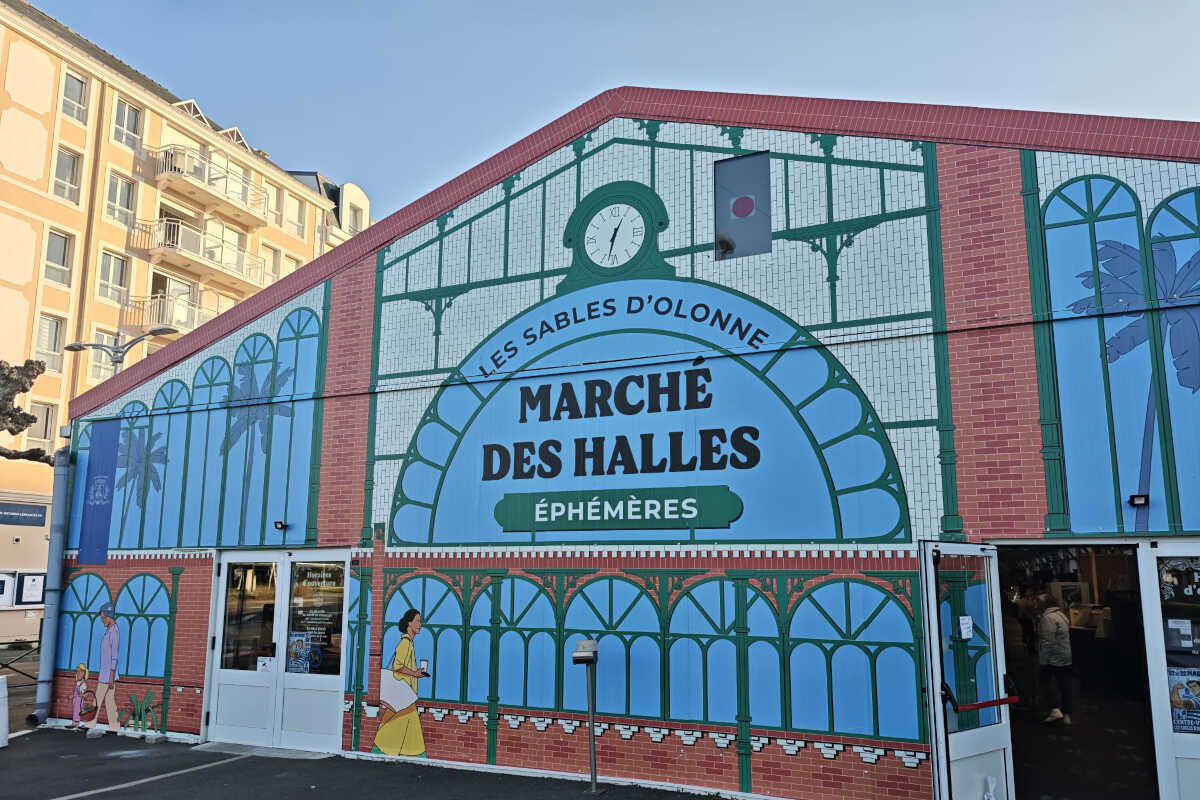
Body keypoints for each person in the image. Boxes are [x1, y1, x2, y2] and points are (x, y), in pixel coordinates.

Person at [372, 609, 430, 757]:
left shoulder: (408, 643)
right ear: (409, 623)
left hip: (404, 693)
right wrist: (415, 673)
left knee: (398, 720)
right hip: (403, 693)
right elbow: (397, 666)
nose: (420, 624)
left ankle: (382, 748)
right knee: (405, 721)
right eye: (417, 621)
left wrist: (415, 673)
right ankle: (414, 753)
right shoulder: (405, 643)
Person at [1038, 593, 1073, 725]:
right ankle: (1066, 713)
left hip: (1053, 657)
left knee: (1045, 682)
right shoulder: (1061, 615)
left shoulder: (1048, 618)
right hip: (1065, 655)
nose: (1037, 605)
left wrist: (1043, 660)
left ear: (1045, 604)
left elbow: (1047, 641)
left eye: (1039, 602)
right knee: (1064, 685)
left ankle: (1055, 709)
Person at [86, 602, 120, 738]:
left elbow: (114, 657)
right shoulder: (109, 631)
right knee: (109, 701)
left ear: (109, 617)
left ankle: (90, 723)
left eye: (103, 618)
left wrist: (111, 676)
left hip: (107, 675)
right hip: (106, 673)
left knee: (98, 698)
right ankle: (114, 726)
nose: (102, 620)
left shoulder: (114, 632)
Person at [70, 664, 88, 728]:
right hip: (75, 699)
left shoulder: (83, 684)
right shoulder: (77, 682)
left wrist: (82, 695)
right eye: (77, 672)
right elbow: (75, 690)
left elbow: (86, 694)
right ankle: (73, 723)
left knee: (77, 710)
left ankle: (77, 723)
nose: (77, 674)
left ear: (83, 673)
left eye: (80, 672)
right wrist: (72, 695)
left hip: (79, 700)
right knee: (75, 710)